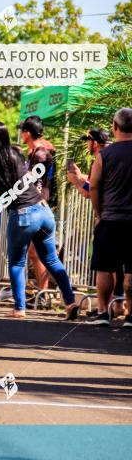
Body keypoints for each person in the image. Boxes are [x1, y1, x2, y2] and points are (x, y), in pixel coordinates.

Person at [0, 121, 79, 320]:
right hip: (43, 210)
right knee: (52, 259)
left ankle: (20, 308)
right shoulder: (15, 153)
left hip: (22, 214)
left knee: (17, 263)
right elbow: (6, 169)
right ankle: (70, 302)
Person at [87, 109, 132, 327]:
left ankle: (103, 312)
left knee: (104, 267)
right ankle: (130, 315)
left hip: (110, 219)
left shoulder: (104, 155)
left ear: (115, 127)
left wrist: (98, 212)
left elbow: (94, 185)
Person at [19, 115, 57, 293]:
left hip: (40, 206)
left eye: (22, 131)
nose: (20, 134)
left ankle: (45, 292)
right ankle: (43, 292)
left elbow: (37, 182)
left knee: (38, 253)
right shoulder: (38, 150)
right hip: (38, 205)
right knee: (36, 253)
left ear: (27, 133)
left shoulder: (41, 153)